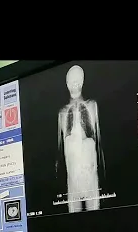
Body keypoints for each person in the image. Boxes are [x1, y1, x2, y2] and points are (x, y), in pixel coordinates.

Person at [57, 65, 103, 212]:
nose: (74, 85)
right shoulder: (62, 113)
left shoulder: (92, 106)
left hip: (90, 172)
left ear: (82, 82)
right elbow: (59, 149)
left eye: (77, 81)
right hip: (72, 176)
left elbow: (99, 143)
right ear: (66, 84)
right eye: (71, 82)